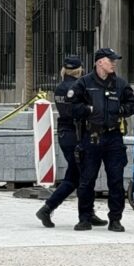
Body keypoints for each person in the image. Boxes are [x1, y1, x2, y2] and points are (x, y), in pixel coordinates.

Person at [70, 48, 134, 232]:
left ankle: (115, 219)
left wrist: (121, 111)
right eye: (111, 60)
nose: (114, 63)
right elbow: (73, 107)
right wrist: (89, 110)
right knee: (87, 180)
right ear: (99, 62)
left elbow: (133, 104)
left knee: (116, 180)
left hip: (113, 137)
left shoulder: (120, 84)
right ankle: (85, 218)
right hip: (91, 136)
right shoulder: (84, 83)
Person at [35, 56, 107, 228]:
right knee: (81, 176)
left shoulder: (60, 87)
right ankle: (49, 208)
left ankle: (85, 212)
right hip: (76, 134)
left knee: (77, 175)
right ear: (80, 70)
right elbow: (83, 111)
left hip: (65, 134)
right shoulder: (77, 87)